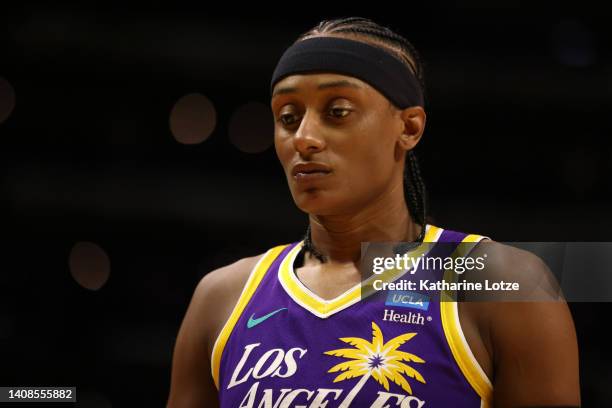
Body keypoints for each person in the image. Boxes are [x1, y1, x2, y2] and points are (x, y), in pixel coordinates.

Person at [167, 17, 580, 408]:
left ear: (410, 128)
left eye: (337, 111)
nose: (304, 138)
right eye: (287, 118)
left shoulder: (503, 283)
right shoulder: (222, 296)